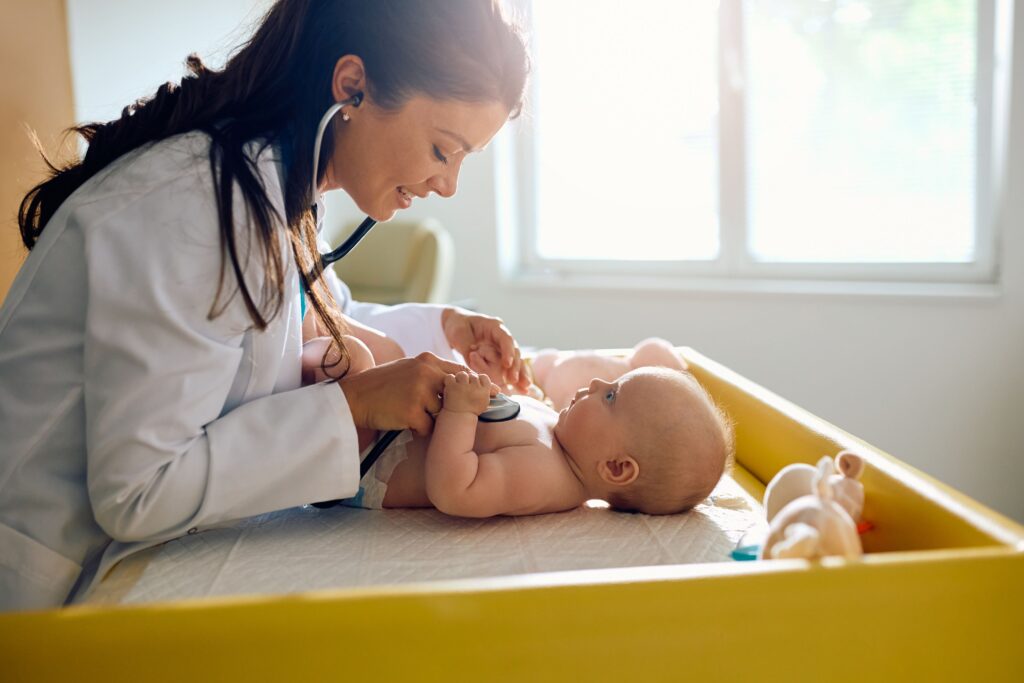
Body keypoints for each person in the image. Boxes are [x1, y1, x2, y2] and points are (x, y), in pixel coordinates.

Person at [0, 0, 530, 611]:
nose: (448, 185)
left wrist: (446, 330)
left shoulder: (282, 185)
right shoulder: (196, 203)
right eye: (443, 150)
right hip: (38, 590)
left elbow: (309, 322)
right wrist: (352, 406)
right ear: (351, 86)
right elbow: (139, 490)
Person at [308, 340, 734, 517]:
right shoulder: (562, 436)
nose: (596, 383)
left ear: (617, 469)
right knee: (376, 351)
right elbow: (509, 415)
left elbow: (457, 490)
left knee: (345, 356)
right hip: (390, 424)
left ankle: (282, 403)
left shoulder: (545, 478)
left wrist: (459, 413)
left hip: (369, 461)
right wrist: (503, 386)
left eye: (610, 397)